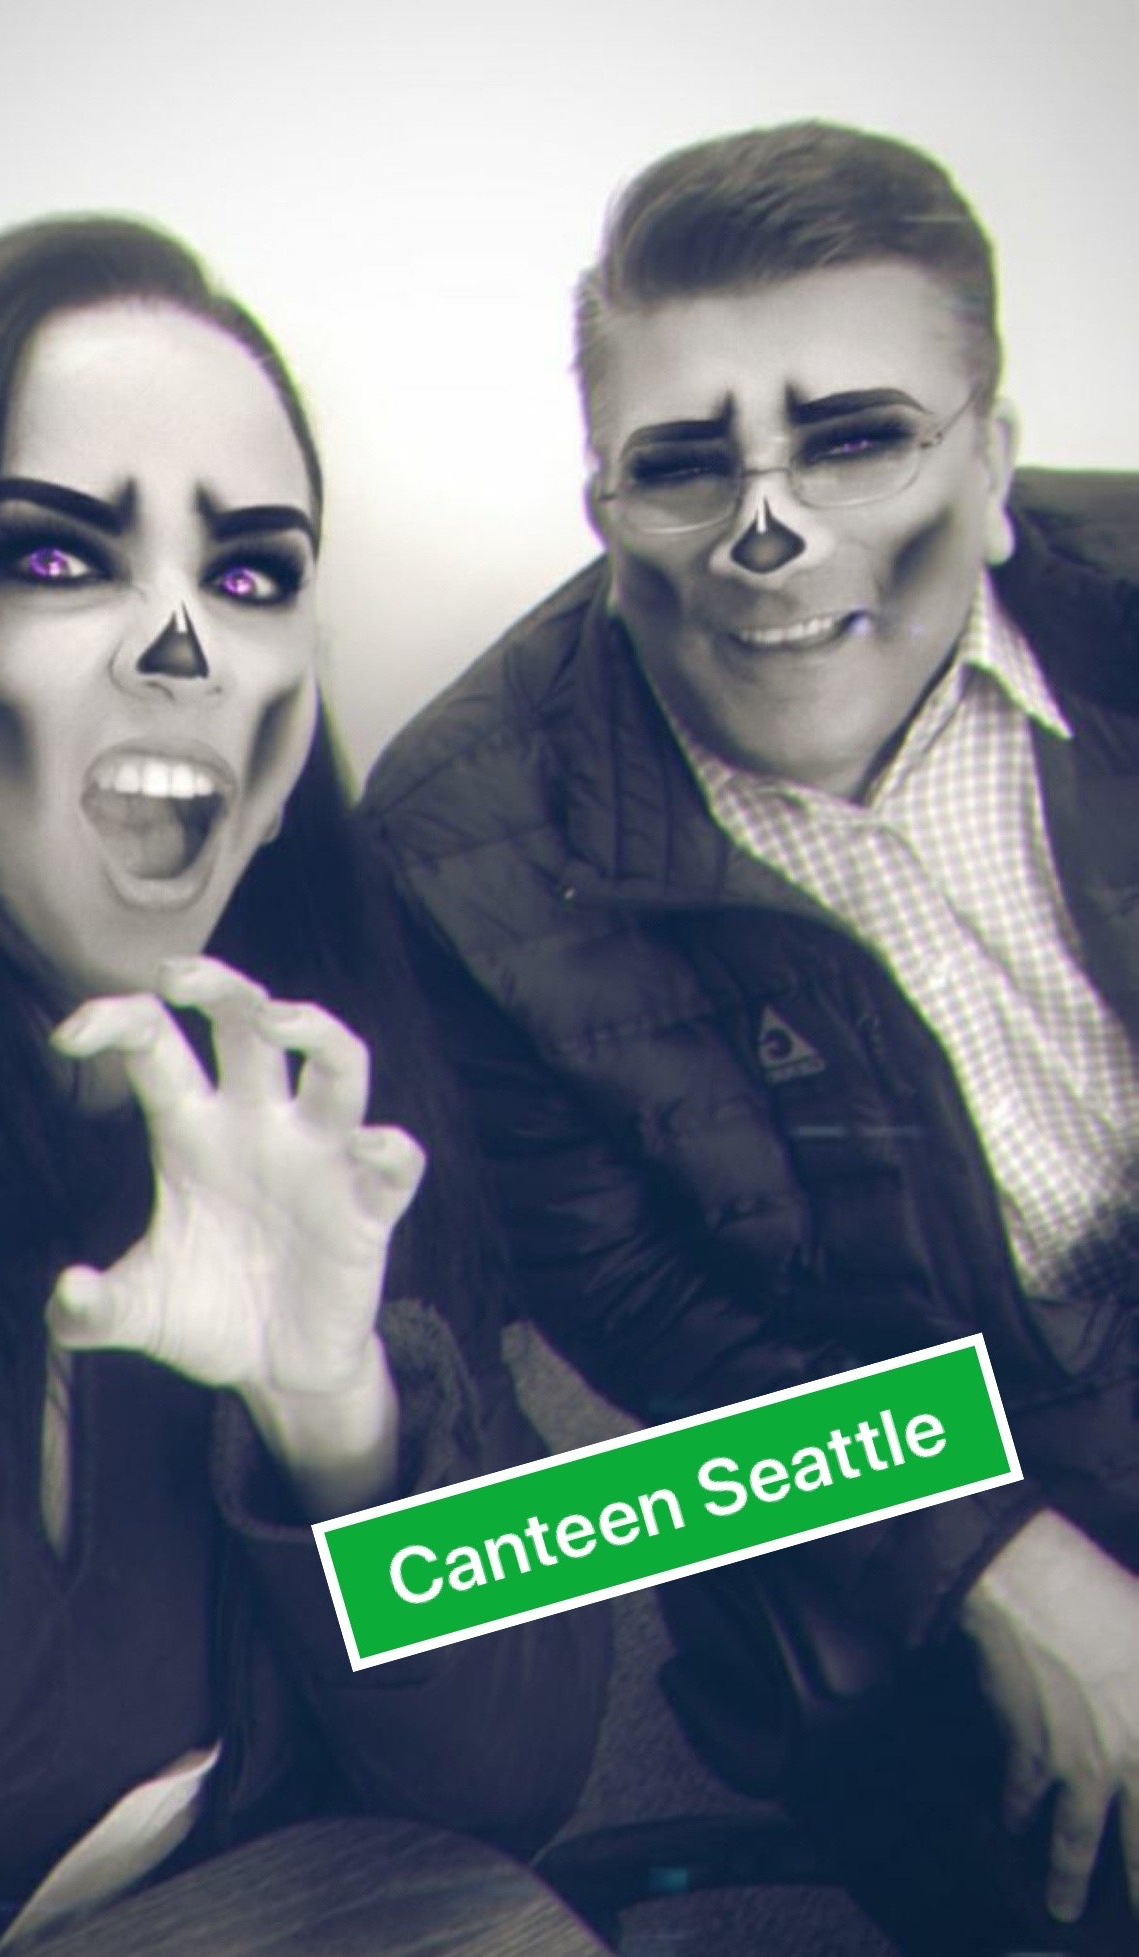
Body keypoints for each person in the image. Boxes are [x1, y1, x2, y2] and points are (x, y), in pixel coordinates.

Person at [0, 214, 608, 1957]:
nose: (184, 643)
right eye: (54, 554)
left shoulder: (328, 1089)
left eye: (250, 575)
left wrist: (340, 1412)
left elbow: (512, 1782)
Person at [362, 122, 1138, 1954]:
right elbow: (632, 1306)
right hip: (933, 1455)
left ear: (993, 464)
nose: (764, 532)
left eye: (854, 437)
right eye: (683, 463)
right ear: (602, 500)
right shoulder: (463, 836)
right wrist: (985, 1550)